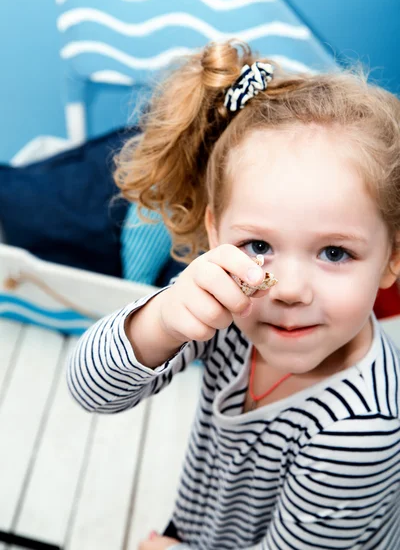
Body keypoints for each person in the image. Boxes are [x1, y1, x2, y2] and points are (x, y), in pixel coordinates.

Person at [67, 39, 400, 550]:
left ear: (392, 258)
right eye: (259, 244)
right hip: (208, 525)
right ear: (215, 233)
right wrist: (162, 319)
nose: (288, 290)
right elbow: (91, 390)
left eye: (334, 252)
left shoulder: (359, 431)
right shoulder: (228, 296)